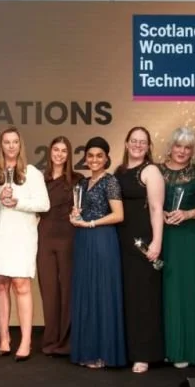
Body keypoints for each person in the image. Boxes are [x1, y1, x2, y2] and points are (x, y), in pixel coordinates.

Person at [0, 127, 49, 361]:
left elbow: (43, 204)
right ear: (1, 145)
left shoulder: (32, 172)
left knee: (21, 285)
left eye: (15, 142)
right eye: (7, 142)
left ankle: (25, 340)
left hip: (22, 236)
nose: (11, 146)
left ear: (20, 145)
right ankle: (4, 337)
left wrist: (18, 201)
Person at [69, 136, 126, 369]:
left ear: (106, 158)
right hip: (83, 240)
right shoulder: (82, 183)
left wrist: (91, 224)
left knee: (102, 293)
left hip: (102, 240)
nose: (94, 159)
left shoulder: (110, 181)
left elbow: (119, 215)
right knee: (86, 292)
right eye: (90, 156)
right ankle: (87, 351)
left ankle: (104, 353)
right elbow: (78, 211)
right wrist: (74, 216)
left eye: (99, 156)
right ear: (85, 158)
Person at [114, 127, 165, 373]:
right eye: (133, 140)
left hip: (142, 242)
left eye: (142, 142)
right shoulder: (120, 172)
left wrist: (157, 242)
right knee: (126, 297)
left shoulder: (151, 171)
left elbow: (156, 209)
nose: (137, 145)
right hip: (120, 241)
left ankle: (144, 354)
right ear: (126, 143)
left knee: (143, 298)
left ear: (148, 146)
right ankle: (126, 351)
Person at [159, 127, 195, 368]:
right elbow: (147, 203)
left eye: (187, 147)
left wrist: (188, 213)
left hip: (188, 238)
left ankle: (189, 350)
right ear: (171, 147)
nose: (182, 151)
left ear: (192, 151)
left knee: (188, 290)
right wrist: (160, 213)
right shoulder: (156, 171)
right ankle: (168, 349)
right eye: (178, 146)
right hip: (163, 236)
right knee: (167, 292)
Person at [37, 136, 82, 356]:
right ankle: (50, 340)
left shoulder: (77, 179)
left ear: (69, 154)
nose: (60, 154)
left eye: (64, 150)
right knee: (49, 291)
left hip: (68, 237)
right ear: (50, 152)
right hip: (44, 237)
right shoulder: (39, 179)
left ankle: (67, 342)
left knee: (67, 290)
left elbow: (84, 208)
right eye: (56, 149)